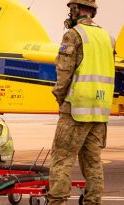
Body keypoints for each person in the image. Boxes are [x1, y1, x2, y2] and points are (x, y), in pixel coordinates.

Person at [48, 1, 115, 204]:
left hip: (76, 108)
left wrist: (60, 96)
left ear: (76, 9)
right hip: (100, 111)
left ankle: (57, 201)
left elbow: (64, 72)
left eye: (71, 9)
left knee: (61, 160)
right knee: (93, 163)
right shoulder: (108, 38)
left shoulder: (74, 34)